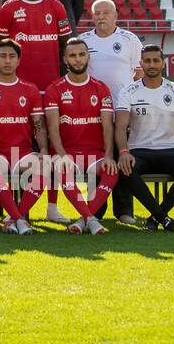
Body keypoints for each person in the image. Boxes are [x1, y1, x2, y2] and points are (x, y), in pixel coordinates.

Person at [0, 0, 73, 225]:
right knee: (20, 148)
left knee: (49, 147)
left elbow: (66, 46)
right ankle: (17, 206)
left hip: (49, 90)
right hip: (18, 92)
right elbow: (0, 49)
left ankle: (52, 206)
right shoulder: (8, 9)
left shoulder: (56, 7)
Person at [115, 45, 174, 231]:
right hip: (139, 151)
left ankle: (157, 217)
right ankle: (163, 218)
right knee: (125, 168)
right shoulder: (128, 91)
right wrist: (123, 152)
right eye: (147, 61)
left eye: (156, 60)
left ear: (163, 63)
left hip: (169, 150)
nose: (152, 64)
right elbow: (121, 126)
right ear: (141, 64)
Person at [43, 38, 118, 236]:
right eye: (73, 56)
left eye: (81, 54)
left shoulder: (101, 88)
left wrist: (109, 155)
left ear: (88, 57)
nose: (78, 59)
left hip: (94, 153)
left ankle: (83, 219)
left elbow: (108, 127)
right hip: (66, 152)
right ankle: (91, 220)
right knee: (63, 168)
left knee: (112, 171)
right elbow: (52, 128)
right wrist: (61, 154)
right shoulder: (54, 89)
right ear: (65, 60)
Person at [0, 39, 46, 236]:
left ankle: (15, 217)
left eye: (12, 56)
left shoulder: (30, 90)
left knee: (45, 167)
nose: (7, 61)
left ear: (19, 60)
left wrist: (44, 151)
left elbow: (39, 126)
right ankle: (20, 219)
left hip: (22, 152)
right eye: (3, 56)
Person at [80, 0, 143, 224]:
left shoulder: (129, 40)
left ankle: (124, 211)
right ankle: (95, 209)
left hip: (123, 112)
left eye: (106, 13)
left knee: (122, 159)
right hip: (92, 113)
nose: (101, 17)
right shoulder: (83, 40)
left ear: (115, 15)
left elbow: (139, 73)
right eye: (97, 13)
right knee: (96, 160)